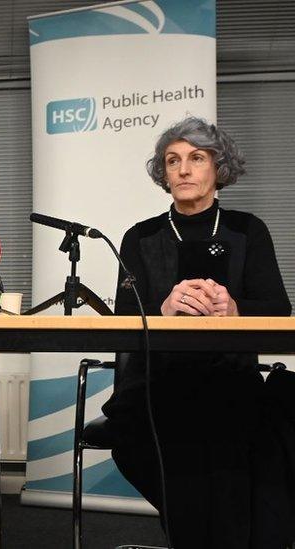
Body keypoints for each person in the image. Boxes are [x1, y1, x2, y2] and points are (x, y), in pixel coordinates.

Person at [103, 117, 294, 548]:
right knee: (180, 449)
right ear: (163, 173)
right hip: (158, 387)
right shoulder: (140, 236)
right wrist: (163, 310)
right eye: (173, 161)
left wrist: (236, 309)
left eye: (196, 158)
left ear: (217, 168)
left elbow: (280, 310)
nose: (183, 170)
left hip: (232, 382)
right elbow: (122, 316)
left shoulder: (248, 230)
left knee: (242, 444)